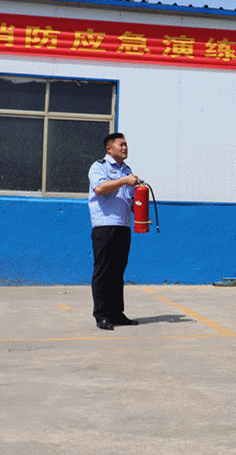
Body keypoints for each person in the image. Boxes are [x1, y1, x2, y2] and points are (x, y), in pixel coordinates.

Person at [88, 133, 141, 331]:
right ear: (109, 149)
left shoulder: (127, 170)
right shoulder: (99, 166)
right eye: (121, 145)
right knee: (103, 271)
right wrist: (125, 180)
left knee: (118, 272)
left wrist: (142, 212)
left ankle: (116, 313)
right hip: (105, 225)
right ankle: (101, 315)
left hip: (123, 226)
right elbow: (100, 188)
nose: (125, 148)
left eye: (126, 144)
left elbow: (131, 200)